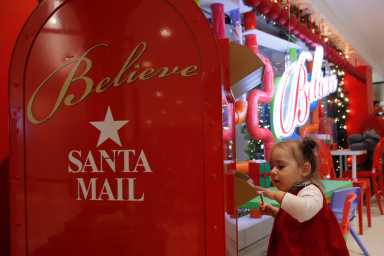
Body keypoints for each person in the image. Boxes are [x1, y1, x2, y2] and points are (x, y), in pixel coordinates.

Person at [257, 138, 349, 256]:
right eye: (272, 167)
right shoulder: (293, 191)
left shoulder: (312, 191)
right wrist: (277, 213)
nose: (273, 171)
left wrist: (275, 194)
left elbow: (303, 212)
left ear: (305, 169)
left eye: (280, 166)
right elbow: (296, 220)